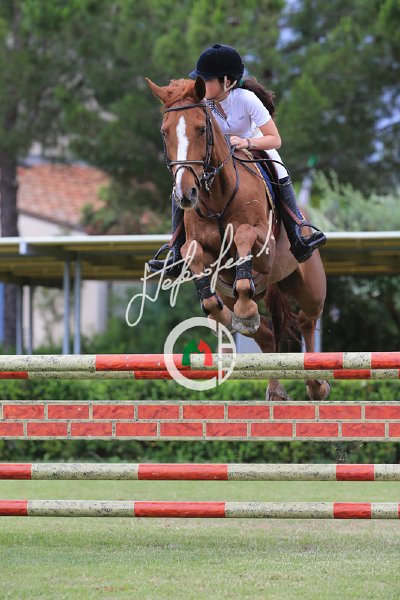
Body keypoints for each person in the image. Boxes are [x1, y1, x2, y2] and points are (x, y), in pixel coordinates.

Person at [149, 43, 326, 276]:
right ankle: (175, 249)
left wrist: (247, 142)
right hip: (218, 156)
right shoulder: (202, 103)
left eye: (207, 79)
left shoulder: (247, 99)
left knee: (279, 169)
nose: (201, 83)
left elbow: (275, 139)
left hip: (255, 145)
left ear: (227, 81)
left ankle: (297, 232)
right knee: (182, 184)